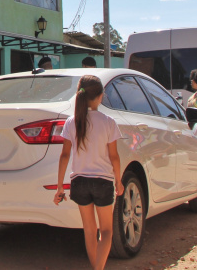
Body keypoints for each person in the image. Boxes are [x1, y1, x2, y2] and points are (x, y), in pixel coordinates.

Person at [54, 75, 122, 270]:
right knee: (107, 231)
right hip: (103, 181)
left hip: (79, 181)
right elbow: (114, 157)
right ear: (100, 96)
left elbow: (64, 156)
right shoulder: (109, 122)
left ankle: (95, 267)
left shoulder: (71, 122)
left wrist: (60, 186)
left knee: (89, 231)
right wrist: (119, 180)